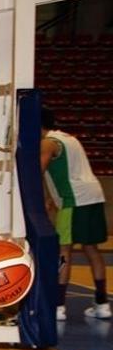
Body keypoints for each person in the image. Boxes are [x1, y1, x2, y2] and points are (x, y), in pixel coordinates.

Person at [40, 107, 109, 321]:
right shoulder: (69, 138)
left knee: (63, 251)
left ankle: (58, 306)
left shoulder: (48, 142)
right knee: (92, 249)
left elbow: (36, 171)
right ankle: (102, 304)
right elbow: (69, 171)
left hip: (75, 200)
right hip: (94, 195)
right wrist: (52, 198)